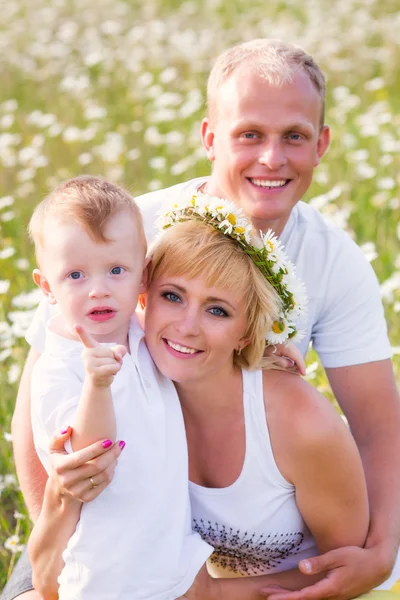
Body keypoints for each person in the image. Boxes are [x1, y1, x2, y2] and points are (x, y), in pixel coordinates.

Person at [4, 38, 400, 600]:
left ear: (321, 145)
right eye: (249, 135)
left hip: (249, 527)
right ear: (209, 138)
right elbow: (41, 395)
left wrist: (380, 549)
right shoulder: (125, 232)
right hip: (103, 532)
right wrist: (67, 544)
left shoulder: (335, 263)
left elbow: (378, 426)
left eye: (294, 136)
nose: (271, 158)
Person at [27, 194, 400, 598]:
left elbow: (348, 573)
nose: (186, 327)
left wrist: (212, 593)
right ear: (144, 295)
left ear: (246, 331)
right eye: (172, 296)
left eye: (217, 310)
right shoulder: (133, 373)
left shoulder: (302, 425)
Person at [25, 175, 213, 599]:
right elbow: (91, 460)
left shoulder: (134, 330)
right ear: (46, 287)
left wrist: (260, 352)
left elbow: (195, 347)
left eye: (115, 270)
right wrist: (97, 383)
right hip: (107, 577)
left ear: (142, 275)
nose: (98, 290)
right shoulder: (59, 369)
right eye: (75, 275)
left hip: (167, 563)